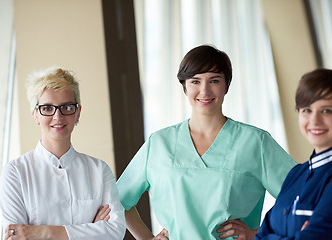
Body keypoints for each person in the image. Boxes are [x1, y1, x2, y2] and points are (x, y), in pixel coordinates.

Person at [116, 45, 296, 239]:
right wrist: (147, 238)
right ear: (185, 87)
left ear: (226, 85)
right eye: (195, 81)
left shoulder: (255, 143)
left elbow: (304, 200)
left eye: (214, 80)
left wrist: (257, 234)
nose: (204, 90)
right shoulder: (159, 144)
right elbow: (117, 202)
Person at [0, 67, 126, 239]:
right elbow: (15, 236)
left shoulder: (99, 170)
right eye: (47, 108)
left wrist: (41, 232)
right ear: (35, 114)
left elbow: (115, 231)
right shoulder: (15, 172)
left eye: (66, 107)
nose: (58, 116)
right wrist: (91, 230)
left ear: (78, 112)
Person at [255, 69, 332, 239]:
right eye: (306, 110)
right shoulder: (296, 173)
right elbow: (261, 234)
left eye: (326, 111)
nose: (314, 121)